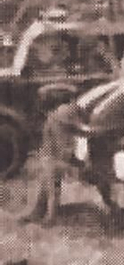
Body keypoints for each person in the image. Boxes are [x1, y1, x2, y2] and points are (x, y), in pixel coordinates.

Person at [26, 83, 83, 225]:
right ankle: (48, 217)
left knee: (49, 188)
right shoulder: (66, 114)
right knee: (52, 189)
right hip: (56, 157)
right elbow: (71, 137)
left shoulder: (53, 117)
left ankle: (41, 215)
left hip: (49, 157)